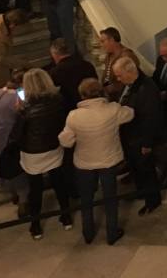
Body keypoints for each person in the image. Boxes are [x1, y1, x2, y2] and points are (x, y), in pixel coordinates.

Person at [59, 78, 133, 245]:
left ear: (82, 95)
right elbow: (130, 114)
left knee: (86, 199)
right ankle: (112, 233)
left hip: (84, 163)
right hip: (108, 161)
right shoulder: (112, 110)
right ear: (101, 92)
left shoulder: (74, 116)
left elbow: (66, 141)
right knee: (110, 198)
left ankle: (88, 233)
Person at [12, 68, 72, 239]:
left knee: (35, 188)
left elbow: (17, 135)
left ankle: (36, 225)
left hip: (33, 153)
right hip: (53, 147)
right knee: (59, 183)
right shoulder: (58, 100)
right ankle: (66, 217)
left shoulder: (25, 108)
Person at [113, 57, 164, 215]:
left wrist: (147, 144)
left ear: (130, 71)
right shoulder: (130, 85)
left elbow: (151, 118)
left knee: (146, 170)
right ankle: (141, 191)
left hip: (141, 138)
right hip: (131, 137)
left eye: (120, 75)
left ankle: (152, 200)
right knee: (136, 168)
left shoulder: (147, 88)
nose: (117, 79)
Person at [0, 68, 28, 217]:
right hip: (15, 138)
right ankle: (23, 202)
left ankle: (12, 193)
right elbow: (24, 113)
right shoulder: (20, 95)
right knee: (19, 169)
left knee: (6, 165)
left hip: (0, 137)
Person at [46, 38, 97, 114]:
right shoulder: (86, 65)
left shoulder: (55, 73)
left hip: (71, 111)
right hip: (94, 105)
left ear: (54, 54)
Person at [99, 27, 140, 102]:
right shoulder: (108, 56)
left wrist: (115, 87)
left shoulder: (127, 55)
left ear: (112, 40)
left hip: (124, 98)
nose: (101, 45)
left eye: (103, 41)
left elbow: (134, 78)